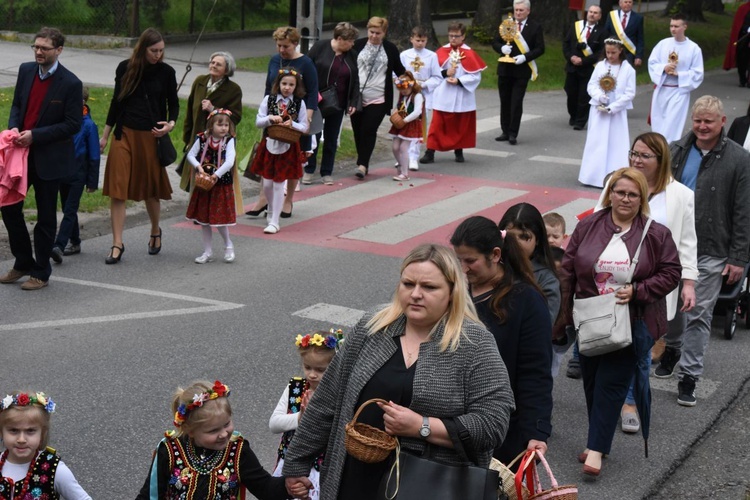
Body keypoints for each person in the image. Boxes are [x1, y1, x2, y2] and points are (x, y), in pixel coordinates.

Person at [283, 244, 514, 499]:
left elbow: (493, 424)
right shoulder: (374, 326)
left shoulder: (474, 343)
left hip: (429, 487)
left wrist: (421, 426)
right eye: (408, 284)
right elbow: (329, 399)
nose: (415, 294)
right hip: (355, 480)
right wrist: (296, 461)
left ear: (452, 292)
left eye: (429, 287)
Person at [558, 167, 681, 477]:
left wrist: (639, 290)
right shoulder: (588, 226)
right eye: (620, 192)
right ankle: (598, 439)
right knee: (592, 382)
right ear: (610, 193)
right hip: (591, 318)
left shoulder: (655, 233)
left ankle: (596, 449)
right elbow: (568, 268)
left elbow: (670, 272)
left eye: (633, 194)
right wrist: (564, 314)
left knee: (611, 385)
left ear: (642, 198)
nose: (625, 198)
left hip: (632, 322)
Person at [596, 132, 698, 433]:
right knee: (612, 346)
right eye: (634, 153)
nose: (636, 160)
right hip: (613, 282)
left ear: (661, 160)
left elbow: (687, 242)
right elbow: (596, 222)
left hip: (653, 286)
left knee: (641, 349)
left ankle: (629, 403)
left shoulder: (681, 195)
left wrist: (688, 282)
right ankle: (608, 398)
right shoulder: (616, 183)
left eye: (644, 156)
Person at [658, 96, 750, 407]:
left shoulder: (739, 159)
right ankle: (672, 347)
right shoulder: (676, 150)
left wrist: (739, 257)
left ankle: (689, 375)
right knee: (671, 304)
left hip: (713, 248)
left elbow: (743, 210)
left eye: (709, 121)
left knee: (699, 312)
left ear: (723, 122)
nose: (702, 126)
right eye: (698, 120)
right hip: (673, 242)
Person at [451, 217, 552, 465]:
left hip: (502, 431)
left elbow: (535, 372)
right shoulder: (453, 291)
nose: (463, 269)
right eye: (458, 260)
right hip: (450, 424)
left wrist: (535, 432)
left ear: (495, 255)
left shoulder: (526, 301)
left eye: (471, 261)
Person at [0, 27, 82, 290]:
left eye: (44, 48)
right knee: (9, 208)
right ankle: (22, 260)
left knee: (46, 217)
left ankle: (41, 272)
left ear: (58, 50)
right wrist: (14, 127)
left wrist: (35, 135)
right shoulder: (25, 71)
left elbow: (73, 124)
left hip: (49, 159)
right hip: (20, 156)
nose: (38, 51)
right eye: (35, 47)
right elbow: (16, 105)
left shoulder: (70, 83)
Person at [99, 28, 178, 264]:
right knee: (117, 188)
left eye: (162, 51)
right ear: (143, 48)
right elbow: (116, 102)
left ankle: (155, 229)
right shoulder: (125, 68)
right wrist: (105, 136)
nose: (158, 55)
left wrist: (170, 125)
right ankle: (117, 243)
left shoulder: (166, 72)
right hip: (124, 134)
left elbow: (173, 104)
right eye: (154, 51)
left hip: (151, 136)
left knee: (151, 190)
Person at [135, 380, 291, 499]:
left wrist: (290, 485)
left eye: (227, 424)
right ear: (190, 430)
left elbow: (265, 488)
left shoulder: (237, 449)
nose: (223, 434)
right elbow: (149, 495)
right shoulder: (170, 450)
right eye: (213, 430)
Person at [246, 27, 318, 218]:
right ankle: (264, 198)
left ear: (295, 43)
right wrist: (266, 114)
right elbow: (268, 88)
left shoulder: (306, 63)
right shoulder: (274, 60)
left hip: (297, 116)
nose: (281, 49)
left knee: (294, 159)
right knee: (269, 156)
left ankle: (288, 200)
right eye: (279, 45)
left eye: (285, 46)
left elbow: (311, 92)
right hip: (274, 115)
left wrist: (307, 118)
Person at [270, 331, 341, 500]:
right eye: (307, 367)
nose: (312, 374)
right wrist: (300, 419)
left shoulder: (338, 393)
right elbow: (274, 424)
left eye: (320, 369)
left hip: (322, 467)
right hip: (291, 462)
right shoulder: (296, 389)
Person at [178, 51, 242, 211]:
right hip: (197, 136)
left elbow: (236, 117)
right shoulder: (200, 81)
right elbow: (189, 111)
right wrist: (187, 138)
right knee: (196, 172)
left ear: (227, 70)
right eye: (212, 62)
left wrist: (214, 109)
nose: (213, 65)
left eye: (218, 64)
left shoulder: (233, 89)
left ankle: (214, 208)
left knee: (212, 173)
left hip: (218, 141)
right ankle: (195, 208)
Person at [0, 390, 91, 498]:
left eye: (30, 431)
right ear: (1, 432)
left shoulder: (54, 469)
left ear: (42, 433)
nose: (21, 439)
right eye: (13, 430)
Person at [250, 69, 307, 235]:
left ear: (296, 87)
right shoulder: (269, 100)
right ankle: (271, 207)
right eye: (284, 84)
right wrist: (269, 118)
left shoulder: (299, 103)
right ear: (278, 84)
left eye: (291, 84)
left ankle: (274, 221)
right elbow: (258, 121)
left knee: (278, 184)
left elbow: (304, 127)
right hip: (270, 143)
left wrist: (292, 125)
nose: (287, 88)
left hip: (288, 146)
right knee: (267, 183)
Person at [422, 22, 486, 164]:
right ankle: (430, 152)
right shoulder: (441, 52)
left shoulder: (469, 53)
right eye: (450, 36)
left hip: (462, 95)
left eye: (456, 36)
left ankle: (459, 151)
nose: (453, 39)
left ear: (463, 36)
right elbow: (431, 71)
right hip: (443, 94)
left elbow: (475, 76)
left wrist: (459, 80)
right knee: (437, 124)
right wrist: (445, 73)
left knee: (460, 125)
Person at [304, 22, 360, 186]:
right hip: (316, 100)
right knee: (313, 135)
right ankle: (309, 169)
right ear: (340, 39)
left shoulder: (352, 55)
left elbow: (355, 79)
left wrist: (353, 101)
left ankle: (327, 172)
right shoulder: (320, 47)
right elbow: (305, 69)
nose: (352, 44)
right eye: (350, 41)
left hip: (339, 102)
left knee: (331, 137)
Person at [352, 17, 406, 179]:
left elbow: (400, 70)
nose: (374, 36)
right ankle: (363, 161)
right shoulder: (358, 45)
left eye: (378, 33)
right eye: (372, 32)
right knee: (358, 131)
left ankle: (362, 164)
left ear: (384, 33)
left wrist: (406, 84)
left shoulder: (390, 49)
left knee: (369, 130)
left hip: (379, 98)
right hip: (356, 97)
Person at [578, 38, 636, 188]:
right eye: (608, 52)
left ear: (620, 51)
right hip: (598, 110)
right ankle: (592, 176)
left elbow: (630, 93)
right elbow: (591, 85)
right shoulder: (600, 66)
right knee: (596, 142)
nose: (610, 56)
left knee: (616, 143)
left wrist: (614, 106)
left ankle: (615, 176)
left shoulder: (628, 69)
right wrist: (599, 96)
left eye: (613, 52)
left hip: (616, 114)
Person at [51, 85, 99, 262]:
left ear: (84, 102)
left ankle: (59, 246)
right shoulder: (64, 121)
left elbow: (94, 155)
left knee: (70, 210)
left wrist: (92, 182)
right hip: (62, 172)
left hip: (78, 175)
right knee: (66, 208)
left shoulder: (89, 126)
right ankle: (76, 241)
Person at [185, 109, 238, 264]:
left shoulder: (229, 141)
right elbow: (190, 155)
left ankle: (228, 245)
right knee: (204, 220)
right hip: (204, 184)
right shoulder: (202, 139)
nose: (223, 128)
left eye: (226, 125)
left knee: (219, 220)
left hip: (220, 184)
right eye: (219, 124)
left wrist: (216, 175)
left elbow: (229, 161)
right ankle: (207, 251)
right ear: (211, 125)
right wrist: (198, 167)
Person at [498, 203, 561, 324]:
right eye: (509, 236)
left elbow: (543, 325)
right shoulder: (491, 267)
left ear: (537, 240)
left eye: (524, 237)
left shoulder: (546, 280)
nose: (515, 243)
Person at [493, 0, 545, 145]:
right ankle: (504, 130)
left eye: (521, 10)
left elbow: (540, 48)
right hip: (505, 69)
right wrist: (502, 49)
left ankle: (513, 133)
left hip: (521, 70)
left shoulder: (535, 27)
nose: (518, 12)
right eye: (516, 10)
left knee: (516, 102)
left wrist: (525, 57)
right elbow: (495, 42)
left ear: (528, 11)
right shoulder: (507, 24)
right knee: (505, 101)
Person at [648, 14, 704, 143]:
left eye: (676, 26)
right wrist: (664, 68)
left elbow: (698, 73)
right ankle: (657, 150)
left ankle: (670, 152)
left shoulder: (693, 49)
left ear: (685, 27)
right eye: (671, 26)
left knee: (672, 125)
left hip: (679, 91)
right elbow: (652, 63)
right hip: (662, 89)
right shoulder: (663, 44)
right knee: (658, 123)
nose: (673, 29)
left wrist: (680, 75)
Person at [399, 26, 442, 171]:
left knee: (418, 124)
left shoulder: (432, 56)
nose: (420, 43)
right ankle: (401, 155)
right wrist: (405, 84)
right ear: (411, 39)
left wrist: (424, 85)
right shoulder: (404, 55)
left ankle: (413, 157)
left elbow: (437, 77)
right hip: (406, 94)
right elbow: (396, 75)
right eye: (417, 40)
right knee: (403, 122)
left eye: (423, 40)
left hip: (423, 94)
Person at [563, 5, 607, 131]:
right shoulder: (576, 26)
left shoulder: (602, 32)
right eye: (591, 12)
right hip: (572, 67)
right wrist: (571, 57)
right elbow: (566, 44)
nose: (592, 14)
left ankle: (580, 121)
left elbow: (600, 52)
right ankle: (573, 114)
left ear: (599, 16)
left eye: (596, 13)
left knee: (584, 96)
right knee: (571, 93)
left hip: (588, 69)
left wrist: (583, 60)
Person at [389, 72, 424, 182]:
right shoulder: (403, 96)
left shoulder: (417, 96)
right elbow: (398, 107)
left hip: (410, 124)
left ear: (411, 85)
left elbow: (418, 111)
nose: (403, 90)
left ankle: (405, 173)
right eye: (400, 88)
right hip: (400, 124)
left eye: (405, 87)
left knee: (404, 147)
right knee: (395, 147)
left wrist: (405, 120)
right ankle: (400, 164)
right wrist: (394, 114)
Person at [605, 0, 645, 67]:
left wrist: (639, 56)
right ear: (620, 3)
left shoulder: (638, 18)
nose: (628, 4)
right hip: (613, 51)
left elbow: (640, 38)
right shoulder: (612, 15)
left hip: (629, 53)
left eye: (630, 2)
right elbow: (606, 33)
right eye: (626, 2)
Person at [722, 0, 750, 87]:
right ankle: (742, 79)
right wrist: (746, 29)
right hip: (743, 38)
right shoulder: (743, 8)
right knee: (742, 60)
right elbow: (738, 24)